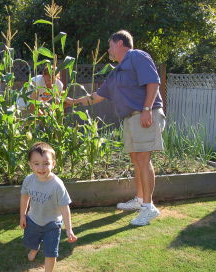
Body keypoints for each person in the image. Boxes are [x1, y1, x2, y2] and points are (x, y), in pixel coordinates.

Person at [70, 30, 165, 226]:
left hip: (145, 114)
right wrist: (71, 102)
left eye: (110, 45)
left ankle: (149, 207)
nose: (108, 49)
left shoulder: (137, 56)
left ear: (120, 43)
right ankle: (140, 200)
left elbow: (154, 81)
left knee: (143, 158)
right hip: (130, 119)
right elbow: (95, 97)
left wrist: (147, 108)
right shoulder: (115, 73)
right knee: (135, 158)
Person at [19, 142, 77, 272]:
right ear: (30, 165)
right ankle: (35, 248)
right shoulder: (29, 180)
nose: (41, 168)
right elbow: (24, 197)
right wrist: (23, 215)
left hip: (52, 224)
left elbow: (65, 208)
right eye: (36, 163)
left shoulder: (57, 185)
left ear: (53, 164)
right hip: (33, 220)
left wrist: (69, 229)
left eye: (46, 163)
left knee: (51, 253)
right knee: (31, 240)